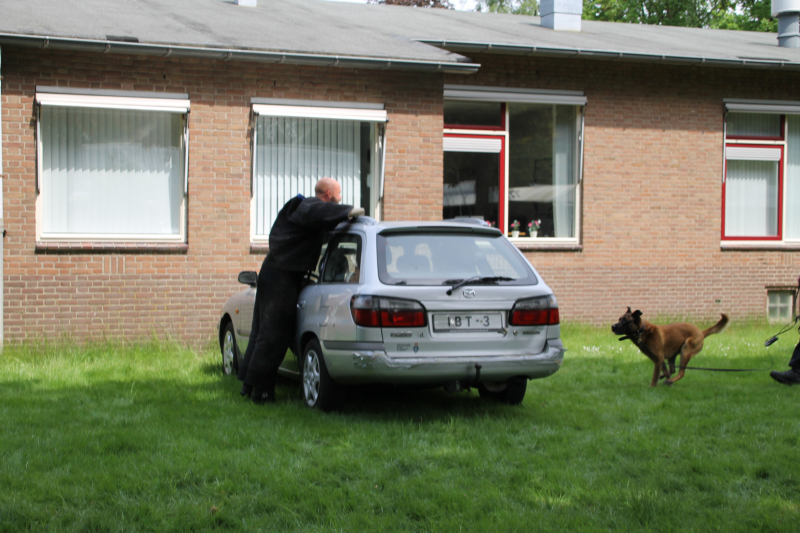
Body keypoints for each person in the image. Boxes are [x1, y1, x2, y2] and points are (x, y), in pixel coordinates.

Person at [237, 178, 365, 403]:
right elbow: (326, 211)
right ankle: (263, 392)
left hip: (277, 273)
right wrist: (353, 212)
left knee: (262, 331)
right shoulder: (306, 206)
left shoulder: (311, 214)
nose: (340, 198)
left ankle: (249, 385)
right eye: (339, 194)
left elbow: (323, 219)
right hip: (280, 276)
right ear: (328, 194)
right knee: (274, 334)